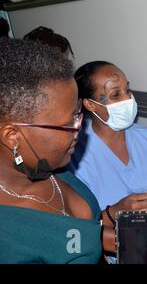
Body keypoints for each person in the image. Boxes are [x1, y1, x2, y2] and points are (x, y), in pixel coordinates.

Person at [70, 61, 147, 263]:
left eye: (127, 90)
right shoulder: (74, 158)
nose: (128, 99)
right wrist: (115, 213)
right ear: (89, 104)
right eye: (116, 95)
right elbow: (75, 230)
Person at [0, 38, 106, 263]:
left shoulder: (49, 168)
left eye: (78, 114)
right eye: (68, 124)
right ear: (13, 137)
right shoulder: (7, 240)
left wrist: (110, 215)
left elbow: (78, 235)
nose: (80, 128)